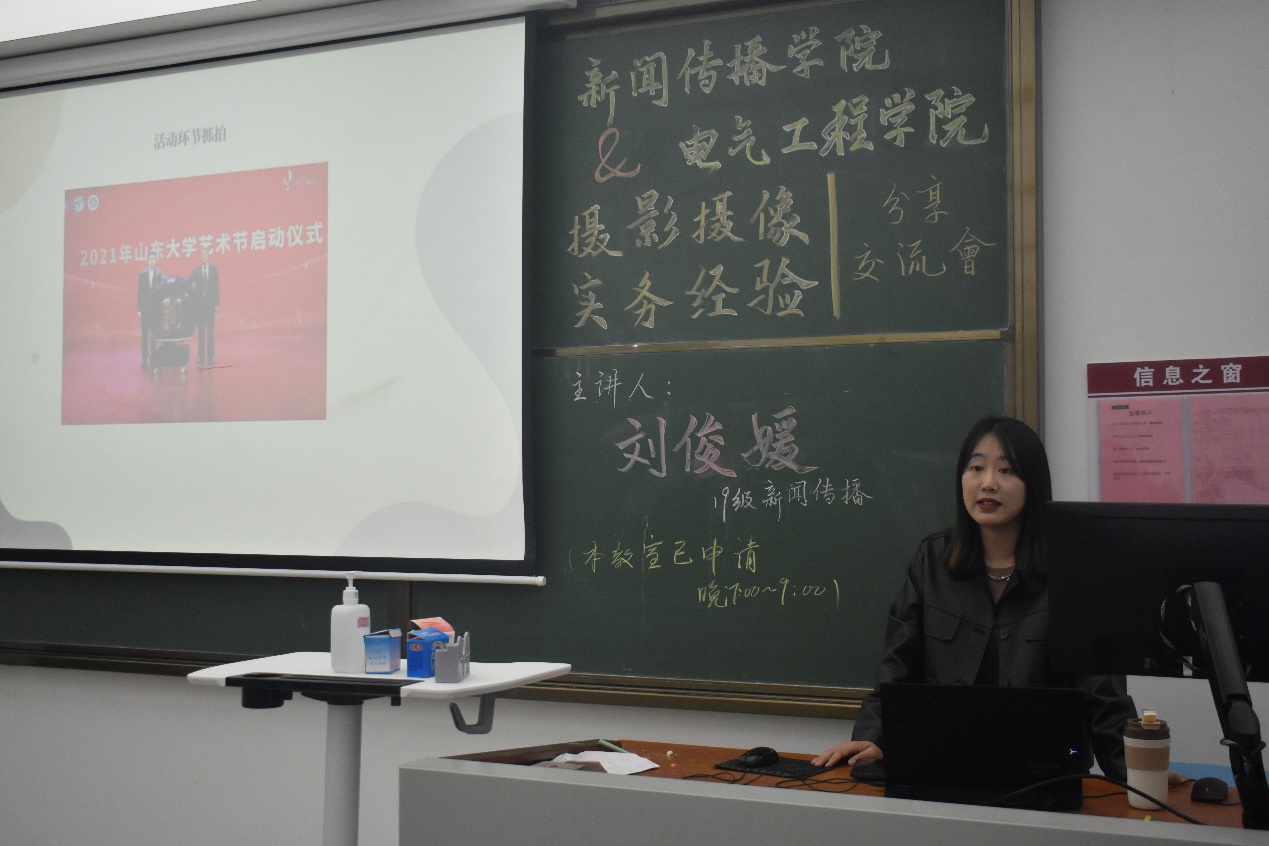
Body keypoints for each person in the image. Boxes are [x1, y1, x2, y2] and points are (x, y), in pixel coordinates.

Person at [812, 415, 1137, 781]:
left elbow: (1103, 695)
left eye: (1006, 470)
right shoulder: (932, 562)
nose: (988, 483)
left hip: (1046, 773)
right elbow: (896, 669)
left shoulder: (1072, 571)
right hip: (939, 764)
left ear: (1033, 483)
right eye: (977, 468)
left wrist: (1137, 774)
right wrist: (872, 739)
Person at [189, 247, 220, 365]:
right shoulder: (196, 271)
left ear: (208, 256)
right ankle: (200, 357)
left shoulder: (213, 270)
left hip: (210, 306)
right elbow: (188, 281)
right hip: (200, 307)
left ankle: (211, 356)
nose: (203, 257)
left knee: (210, 332)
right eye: (201, 255)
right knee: (201, 333)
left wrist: (216, 303)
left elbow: (216, 287)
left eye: (204, 254)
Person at [136, 251, 165, 369]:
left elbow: (163, 288)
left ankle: (153, 355)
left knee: (154, 334)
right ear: (147, 261)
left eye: (154, 259)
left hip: (155, 310)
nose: (152, 261)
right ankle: (144, 357)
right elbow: (140, 292)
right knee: (144, 334)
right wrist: (139, 308)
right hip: (145, 309)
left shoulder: (160, 274)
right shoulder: (143, 274)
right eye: (150, 259)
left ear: (156, 260)